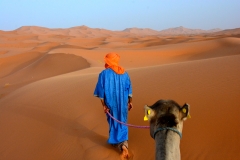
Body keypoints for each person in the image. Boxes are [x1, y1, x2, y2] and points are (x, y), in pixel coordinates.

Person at [94, 52, 133, 158]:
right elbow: (129, 89)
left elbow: (101, 94)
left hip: (111, 105)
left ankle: (121, 146)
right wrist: (130, 102)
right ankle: (124, 144)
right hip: (123, 105)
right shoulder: (125, 73)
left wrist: (104, 105)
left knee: (114, 123)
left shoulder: (103, 74)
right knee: (122, 122)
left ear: (108, 61)